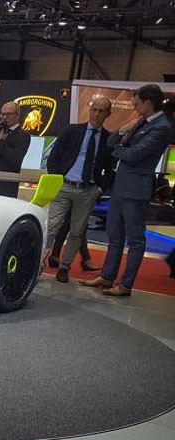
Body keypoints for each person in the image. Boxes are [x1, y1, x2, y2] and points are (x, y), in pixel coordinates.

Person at [80, 84, 173, 297]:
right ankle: (107, 275)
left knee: (135, 240)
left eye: (137, 103)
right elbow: (111, 141)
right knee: (114, 236)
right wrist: (123, 131)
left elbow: (134, 155)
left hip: (136, 190)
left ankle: (126, 284)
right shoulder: (140, 122)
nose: (134, 106)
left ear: (148, 102)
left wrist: (119, 149)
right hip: (119, 186)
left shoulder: (161, 127)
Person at [44, 96, 113, 283]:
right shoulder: (73, 131)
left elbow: (110, 168)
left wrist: (100, 188)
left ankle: (64, 267)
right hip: (65, 185)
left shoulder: (108, 139)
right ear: (89, 110)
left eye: (101, 111)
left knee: (77, 231)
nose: (96, 114)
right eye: (94, 109)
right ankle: (40, 261)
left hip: (88, 190)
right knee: (52, 226)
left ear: (108, 114)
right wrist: (56, 178)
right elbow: (54, 155)